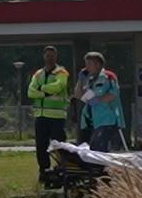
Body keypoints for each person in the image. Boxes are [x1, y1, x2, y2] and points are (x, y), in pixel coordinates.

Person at [27, 46, 71, 183]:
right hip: (41, 116)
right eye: (47, 56)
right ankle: (44, 171)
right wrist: (47, 92)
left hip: (57, 117)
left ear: (56, 57)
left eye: (52, 56)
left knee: (59, 146)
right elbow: (30, 92)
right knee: (41, 146)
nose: (49, 58)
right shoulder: (38, 74)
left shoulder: (61, 72)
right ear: (43, 57)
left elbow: (59, 86)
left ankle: (63, 169)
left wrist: (41, 90)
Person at [80, 52, 125, 151]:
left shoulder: (108, 76)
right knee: (94, 150)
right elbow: (80, 95)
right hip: (94, 121)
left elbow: (113, 94)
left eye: (89, 64)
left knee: (99, 149)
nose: (86, 67)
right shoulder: (90, 80)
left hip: (108, 119)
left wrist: (97, 100)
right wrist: (81, 79)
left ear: (98, 64)